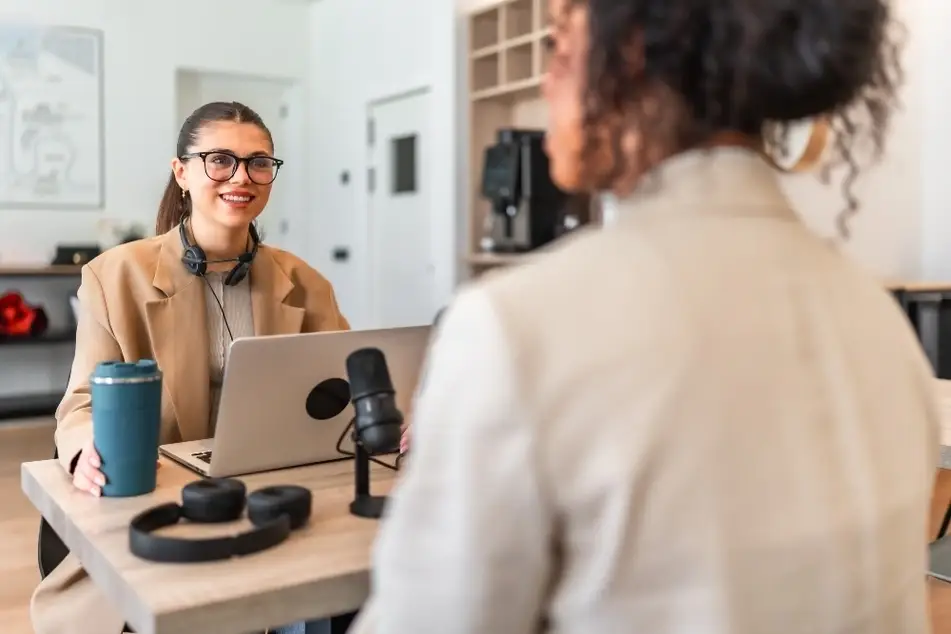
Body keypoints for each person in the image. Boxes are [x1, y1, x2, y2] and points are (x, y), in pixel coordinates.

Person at [351, 1, 940, 633]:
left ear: (626, 52)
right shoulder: (880, 326)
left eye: (558, 48)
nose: (548, 82)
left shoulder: (516, 328)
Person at [31, 101, 350, 634]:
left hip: (274, 505)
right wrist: (85, 446)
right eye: (220, 160)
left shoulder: (306, 282)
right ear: (181, 172)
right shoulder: (115, 276)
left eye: (258, 163)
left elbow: (344, 393)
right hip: (160, 513)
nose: (241, 177)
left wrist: (389, 416)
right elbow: (82, 404)